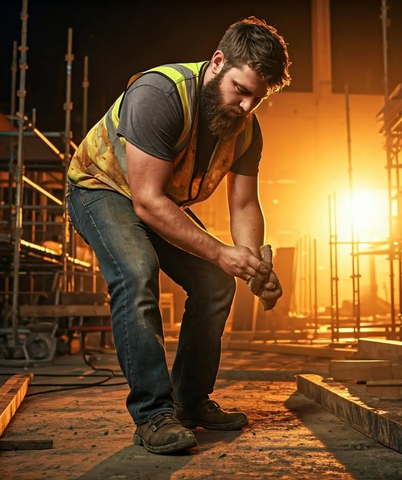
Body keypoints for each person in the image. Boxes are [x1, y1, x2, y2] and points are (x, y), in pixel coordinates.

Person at [66, 16, 290, 454]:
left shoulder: (245, 130)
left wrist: (251, 266)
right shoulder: (159, 94)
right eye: (240, 91)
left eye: (256, 100)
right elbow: (147, 201)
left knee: (215, 280)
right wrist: (222, 252)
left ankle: (191, 401)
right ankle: (153, 414)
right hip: (102, 188)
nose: (245, 107)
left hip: (157, 199)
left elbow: (244, 204)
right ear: (218, 62)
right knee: (136, 271)